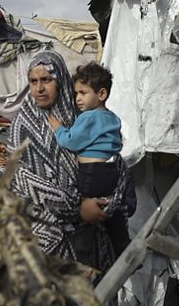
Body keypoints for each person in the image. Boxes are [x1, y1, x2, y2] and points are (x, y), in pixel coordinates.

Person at [8, 50, 132, 306]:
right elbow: (22, 181)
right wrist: (76, 206)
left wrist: (107, 203)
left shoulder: (80, 115)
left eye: (46, 80)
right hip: (48, 237)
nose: (39, 88)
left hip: (93, 237)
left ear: (60, 80)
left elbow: (115, 162)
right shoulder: (23, 124)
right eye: (33, 82)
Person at [46, 61, 130, 262]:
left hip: (91, 173)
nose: (77, 99)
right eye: (76, 94)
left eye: (83, 93)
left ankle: (83, 254)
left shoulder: (88, 117)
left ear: (101, 94)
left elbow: (71, 141)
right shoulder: (112, 118)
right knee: (112, 215)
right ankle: (125, 249)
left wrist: (58, 127)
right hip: (110, 171)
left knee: (85, 215)